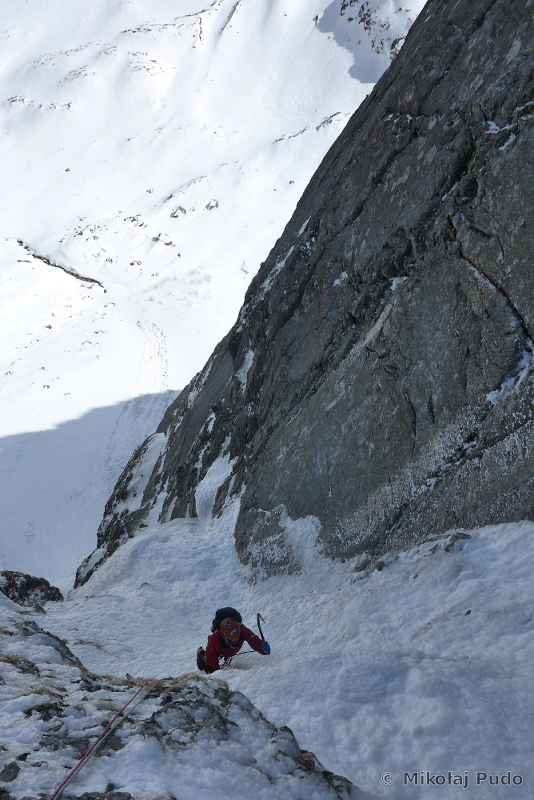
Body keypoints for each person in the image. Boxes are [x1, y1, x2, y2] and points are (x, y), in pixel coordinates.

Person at [197, 606, 270, 673]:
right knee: (207, 667)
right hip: (220, 651)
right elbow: (210, 656)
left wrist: (263, 648)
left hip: (227, 650)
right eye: (232, 638)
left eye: (237, 636)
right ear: (224, 634)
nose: (236, 639)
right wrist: (217, 671)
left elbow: (254, 641)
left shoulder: (243, 630)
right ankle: (200, 654)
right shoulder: (215, 638)